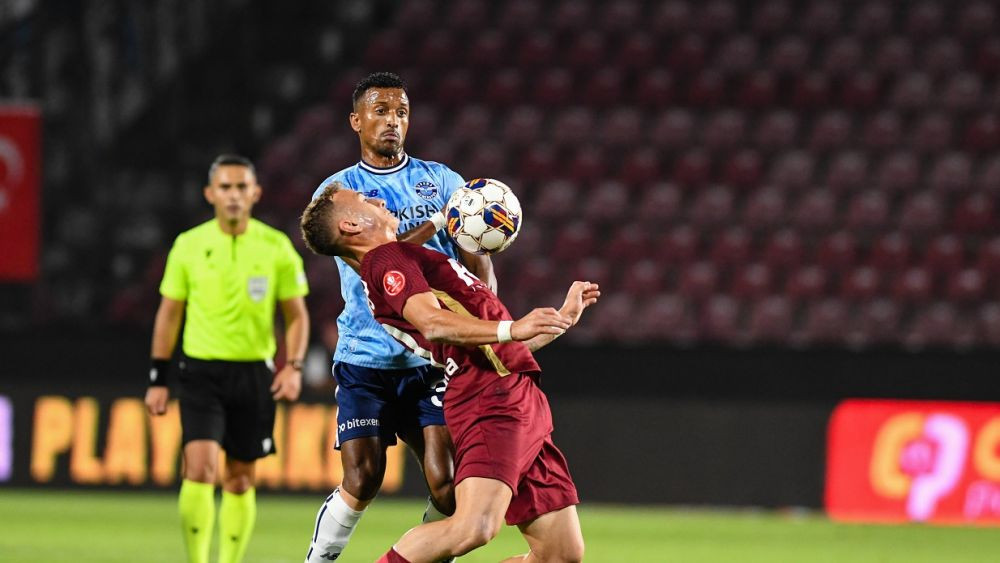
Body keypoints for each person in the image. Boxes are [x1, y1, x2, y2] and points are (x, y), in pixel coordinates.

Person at [300, 183, 598, 563]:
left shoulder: (402, 258)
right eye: (362, 201)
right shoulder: (386, 261)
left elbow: (493, 347)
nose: (377, 200)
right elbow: (433, 324)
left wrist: (560, 321)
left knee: (560, 555)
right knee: (472, 527)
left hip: (520, 394)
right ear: (351, 226)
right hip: (489, 399)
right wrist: (513, 327)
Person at [303, 72, 494, 562]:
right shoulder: (338, 193)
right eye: (381, 111)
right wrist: (436, 223)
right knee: (363, 478)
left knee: (449, 484)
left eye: (401, 112)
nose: (393, 121)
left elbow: (475, 265)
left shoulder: (444, 181)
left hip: (431, 358)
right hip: (365, 355)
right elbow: (372, 261)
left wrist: (483, 253)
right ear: (356, 121)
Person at [144, 154, 310, 563]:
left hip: (255, 372)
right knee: (199, 468)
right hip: (200, 370)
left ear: (255, 193)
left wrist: (294, 367)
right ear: (210, 194)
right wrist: (158, 377)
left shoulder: (275, 247)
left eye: (241, 187)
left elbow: (296, 316)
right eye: (225, 187)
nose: (233, 195)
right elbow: (169, 314)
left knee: (239, 478)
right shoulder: (189, 244)